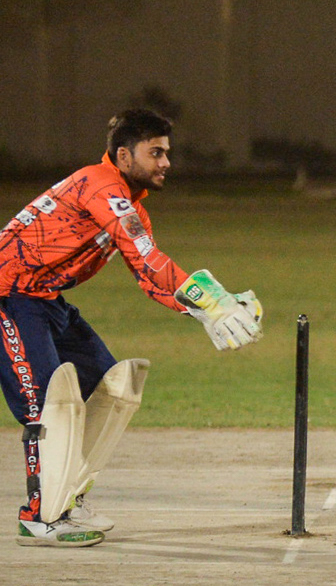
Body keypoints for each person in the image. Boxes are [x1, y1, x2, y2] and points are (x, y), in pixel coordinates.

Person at [0, 108, 264, 547]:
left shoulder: (126, 202)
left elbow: (148, 277)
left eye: (166, 153)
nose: (166, 163)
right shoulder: (101, 186)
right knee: (46, 406)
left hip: (43, 299)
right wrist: (212, 300)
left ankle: (67, 499)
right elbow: (149, 260)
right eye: (155, 152)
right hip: (9, 297)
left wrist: (205, 311)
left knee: (107, 388)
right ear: (124, 155)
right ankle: (38, 518)